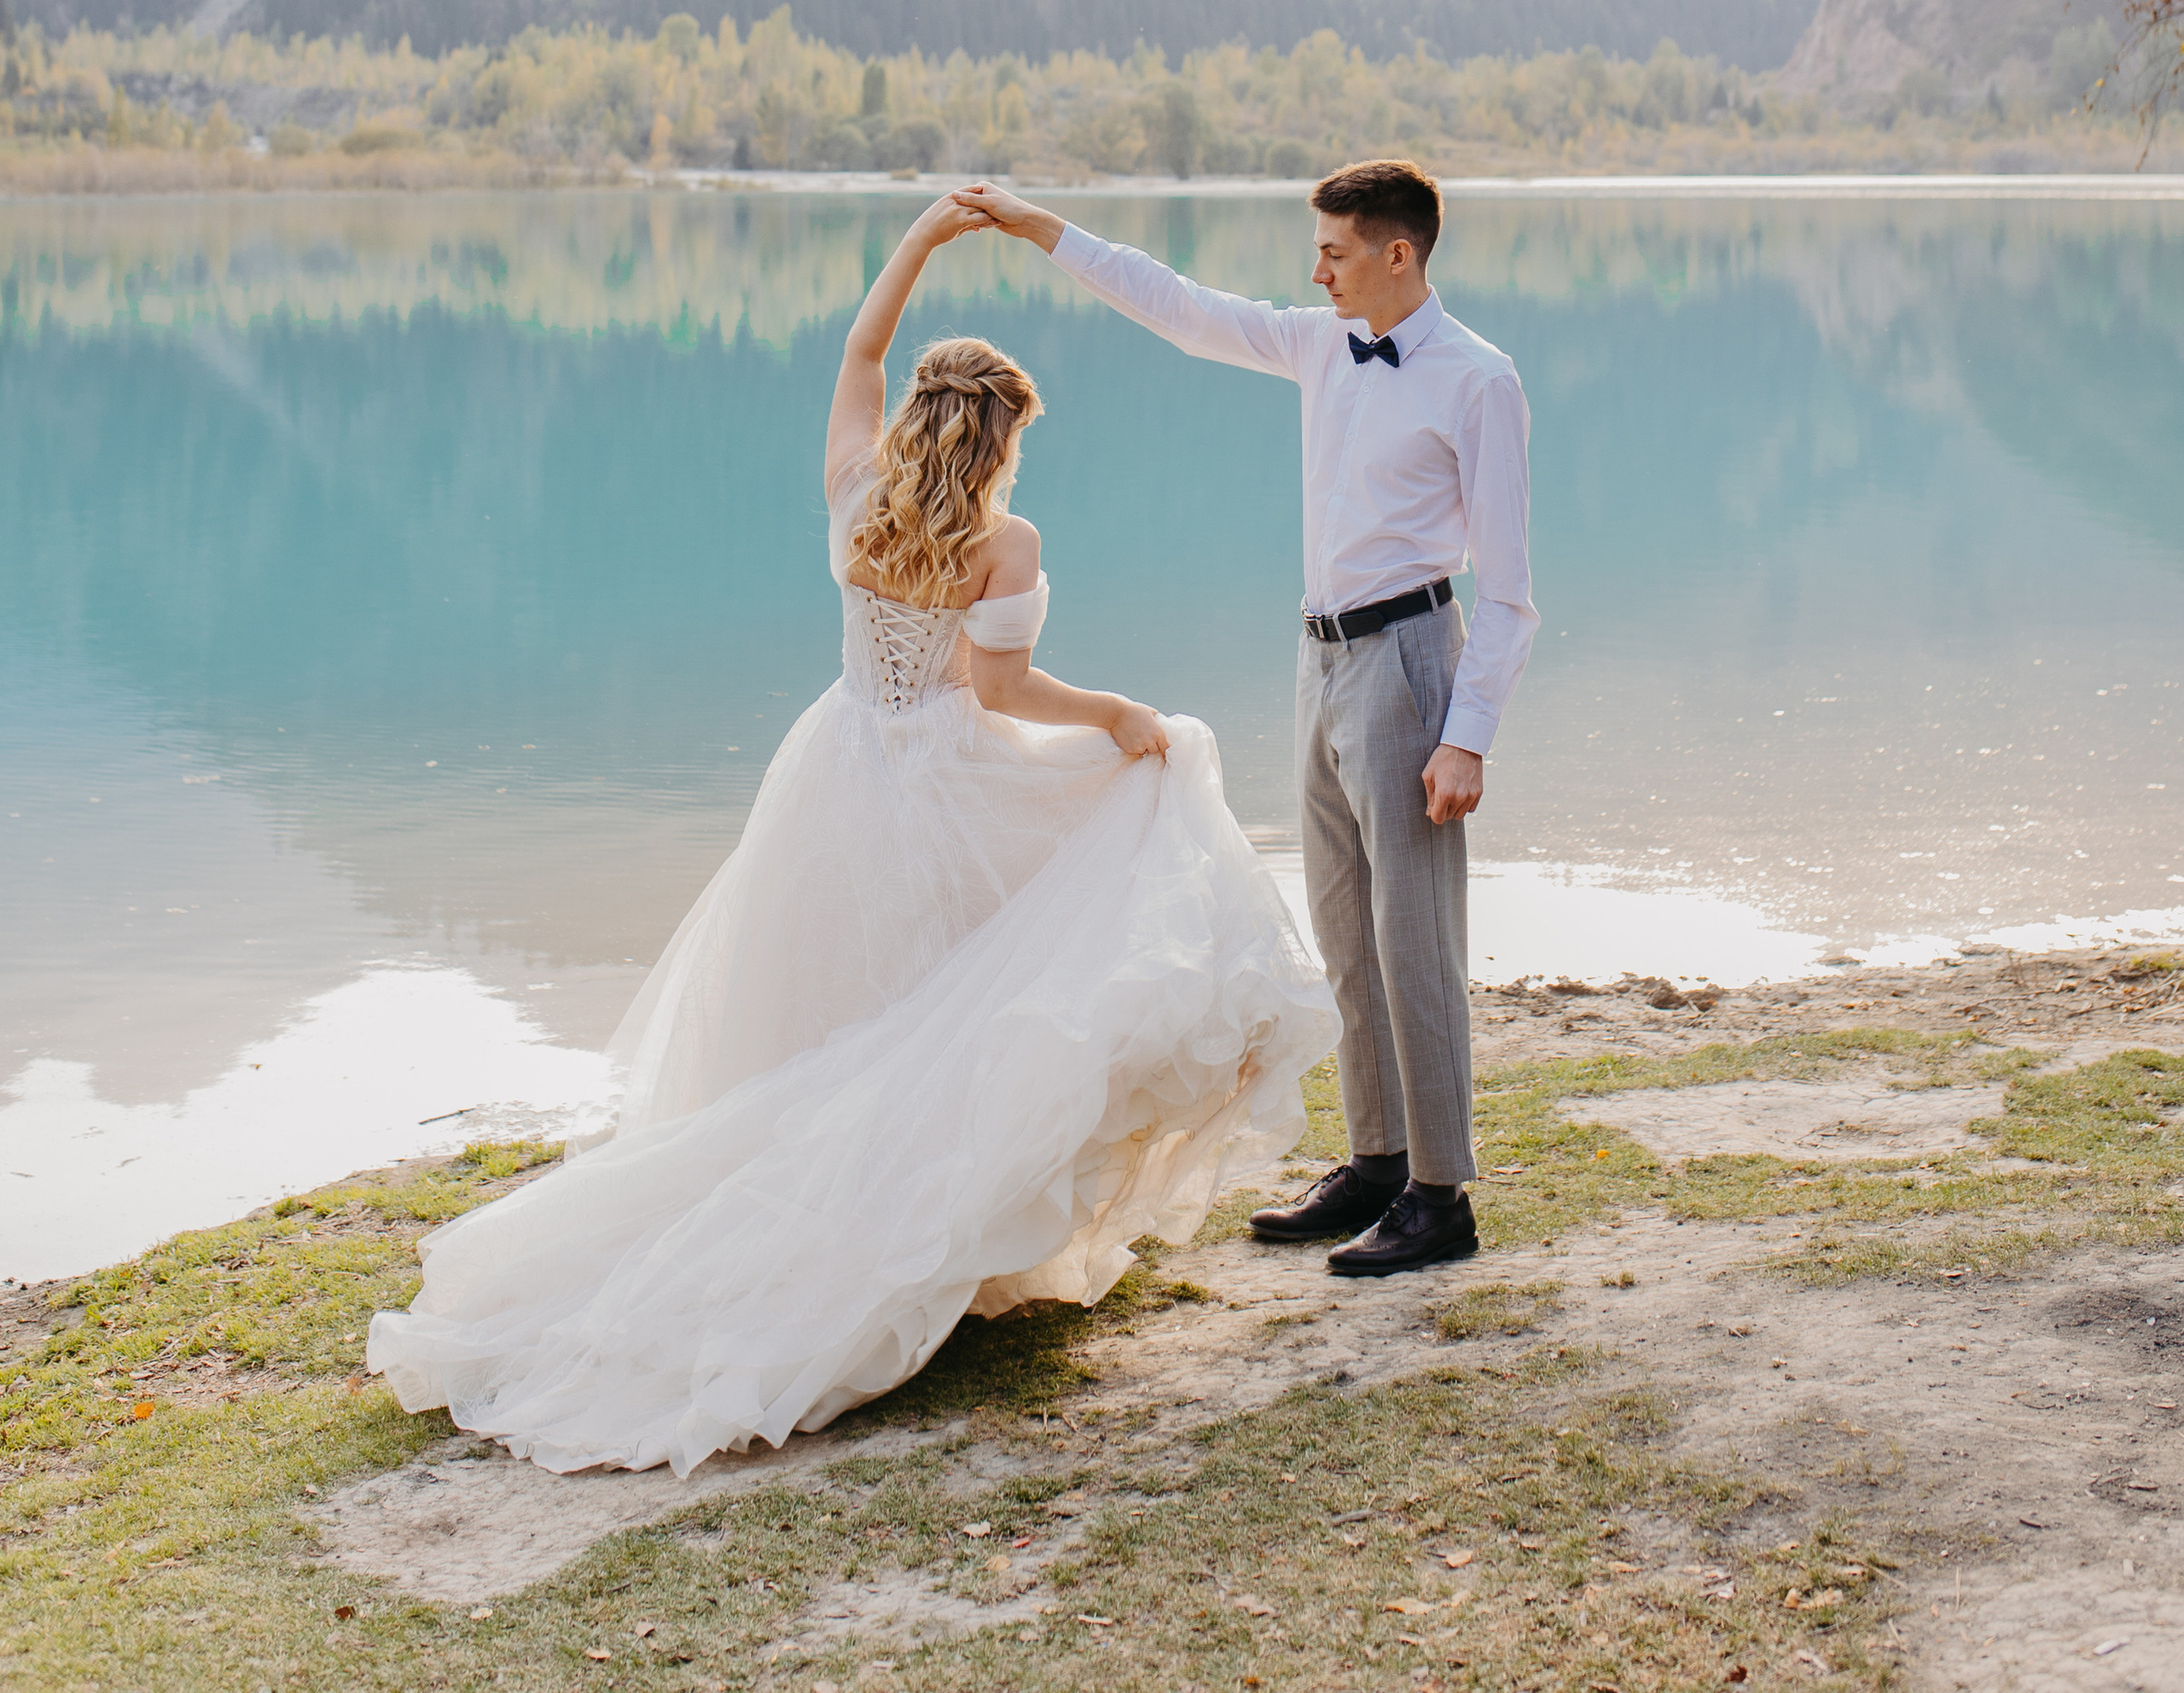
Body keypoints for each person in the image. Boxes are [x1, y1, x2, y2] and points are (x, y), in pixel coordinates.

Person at [366, 195, 1333, 1473]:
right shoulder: (1004, 540)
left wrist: (925, 242)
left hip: (832, 771)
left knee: (836, 1021)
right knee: (957, 1000)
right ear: (999, 437)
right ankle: (927, 1249)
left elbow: (859, 354)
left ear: (922, 414)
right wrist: (1119, 716)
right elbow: (1000, 697)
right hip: (939, 780)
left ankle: (894, 1243)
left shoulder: (855, 493)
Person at [960, 161, 1534, 1277]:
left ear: (1397, 254)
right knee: (1344, 928)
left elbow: (1508, 590)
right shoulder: (1321, 344)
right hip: (1320, 660)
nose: (1314, 269)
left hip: (1414, 657)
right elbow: (1181, 309)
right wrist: (1042, 231)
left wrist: (1469, 734)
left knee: (1415, 936)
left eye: (1334, 250)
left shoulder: (1479, 380)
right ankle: (1376, 1162)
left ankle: (1441, 1195)